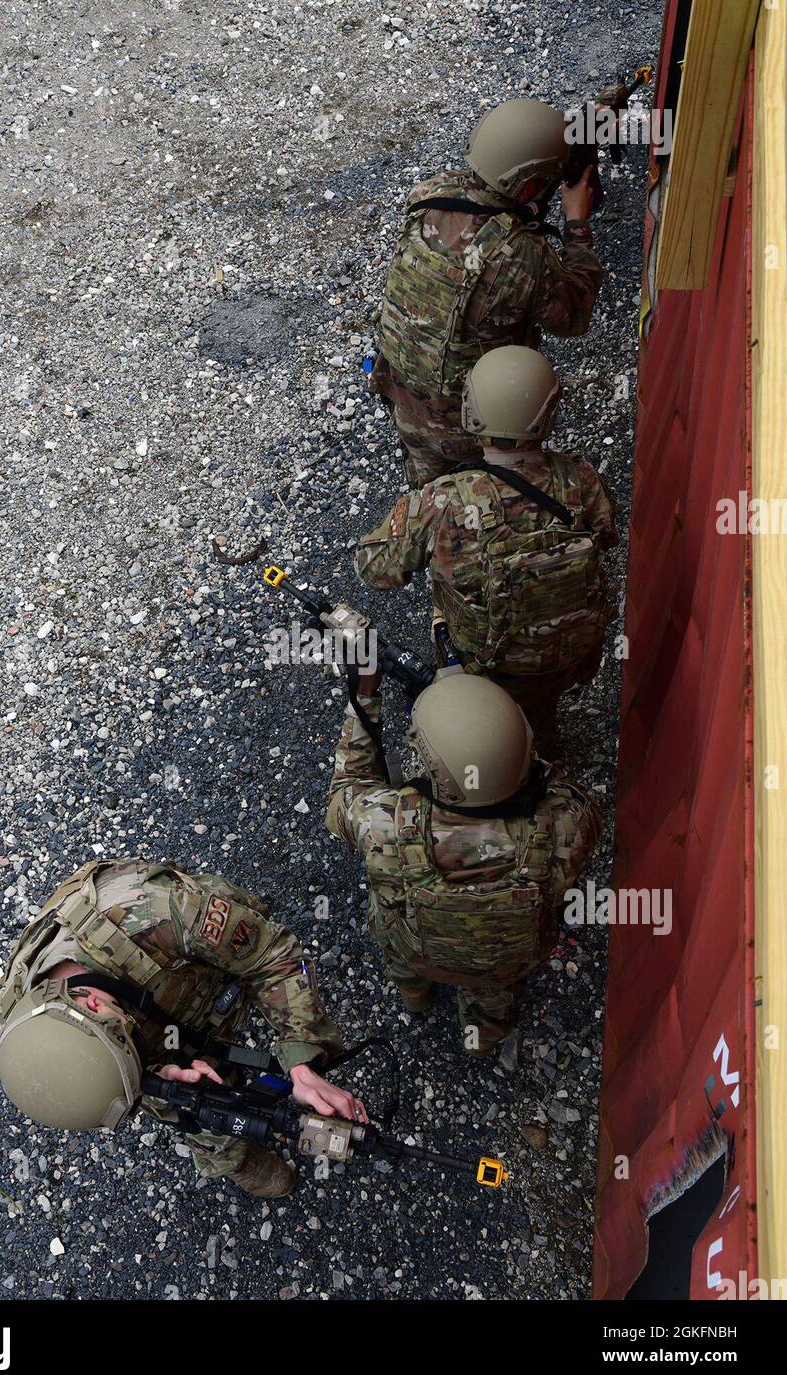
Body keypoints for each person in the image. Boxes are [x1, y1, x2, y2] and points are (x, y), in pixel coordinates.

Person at [0, 857, 368, 1198]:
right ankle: (230, 1158)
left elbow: (274, 955)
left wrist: (302, 1060)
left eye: (132, 1047)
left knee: (246, 941)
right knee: (192, 1106)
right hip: (136, 1018)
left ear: (93, 1002)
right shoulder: (29, 1033)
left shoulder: (159, 913)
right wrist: (158, 1077)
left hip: (191, 970)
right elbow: (114, 1074)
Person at [355, 346, 618, 756]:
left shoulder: (443, 502)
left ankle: (488, 764)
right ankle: (542, 751)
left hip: (489, 670)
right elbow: (605, 536)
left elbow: (373, 569)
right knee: (538, 720)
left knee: (481, 746)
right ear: (548, 413)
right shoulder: (579, 478)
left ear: (469, 412)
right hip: (569, 658)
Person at [325, 668, 601, 1054]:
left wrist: (365, 689)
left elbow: (346, 787)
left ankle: (414, 997)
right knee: (492, 991)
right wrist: (507, 756)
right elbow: (563, 786)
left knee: (392, 930)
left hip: (417, 949)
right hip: (505, 959)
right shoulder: (566, 824)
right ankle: (482, 1038)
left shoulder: (380, 825)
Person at [370, 98, 603, 484]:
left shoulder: (428, 194)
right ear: (530, 183)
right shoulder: (521, 256)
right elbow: (574, 316)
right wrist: (577, 224)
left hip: (401, 394)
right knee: (485, 507)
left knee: (429, 498)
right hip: (475, 425)